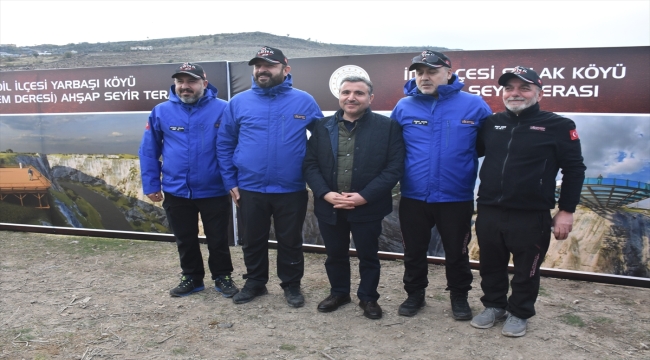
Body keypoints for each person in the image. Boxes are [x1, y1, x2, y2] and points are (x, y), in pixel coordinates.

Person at [472, 66, 586, 337]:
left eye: (524, 88)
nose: (515, 93)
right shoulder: (491, 123)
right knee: (490, 264)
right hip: (489, 208)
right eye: (509, 88)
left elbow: (575, 169)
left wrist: (566, 210)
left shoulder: (560, 126)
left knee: (527, 268)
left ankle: (520, 311)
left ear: (539, 93)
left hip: (531, 213)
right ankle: (494, 306)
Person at [217, 46, 323, 307]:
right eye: (257, 66)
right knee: (253, 240)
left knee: (291, 241)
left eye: (269, 65)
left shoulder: (304, 101)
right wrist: (231, 182)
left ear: (285, 70)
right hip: (250, 188)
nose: (261, 70)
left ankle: (291, 286)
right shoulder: (238, 103)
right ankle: (255, 282)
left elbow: (323, 141)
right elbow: (224, 143)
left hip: (291, 188)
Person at [391, 50, 492, 319]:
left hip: (455, 196)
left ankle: (459, 298)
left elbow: (485, 145)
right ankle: (414, 296)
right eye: (420, 72)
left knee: (457, 253)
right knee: (413, 251)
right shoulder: (404, 107)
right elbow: (393, 148)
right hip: (413, 195)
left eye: (432, 71)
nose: (425, 77)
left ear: (448, 73)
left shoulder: (474, 105)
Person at [303, 76, 404, 319]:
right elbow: (310, 165)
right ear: (339, 96)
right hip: (331, 206)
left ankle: (368, 298)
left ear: (370, 98)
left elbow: (393, 168)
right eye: (346, 92)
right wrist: (326, 194)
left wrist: (363, 197)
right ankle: (339, 293)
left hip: (367, 207)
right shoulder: (321, 126)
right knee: (335, 254)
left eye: (358, 93)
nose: (351, 97)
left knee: (368, 256)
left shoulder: (388, 127)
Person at [139, 62, 238, 298]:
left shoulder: (224, 109)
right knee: (184, 238)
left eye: (191, 82)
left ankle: (222, 276)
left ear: (204, 84)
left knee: (218, 239)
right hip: (176, 190)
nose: (185, 87)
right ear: (175, 84)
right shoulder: (161, 111)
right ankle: (192, 278)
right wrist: (152, 184)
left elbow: (235, 148)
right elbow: (148, 150)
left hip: (214, 189)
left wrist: (234, 183)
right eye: (180, 82)